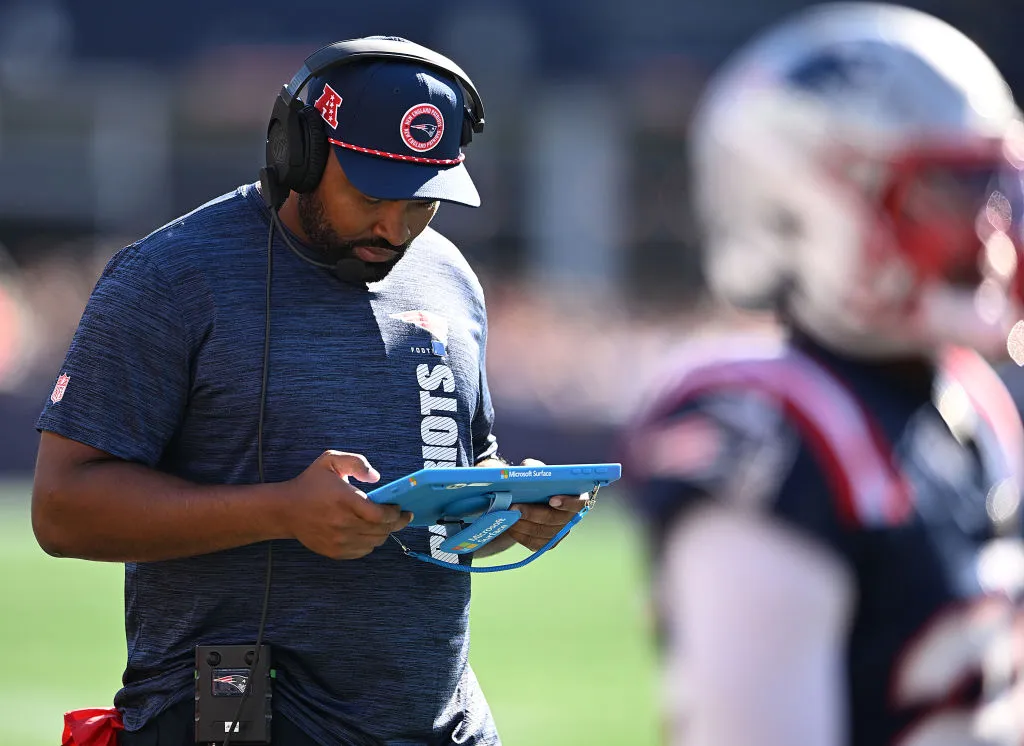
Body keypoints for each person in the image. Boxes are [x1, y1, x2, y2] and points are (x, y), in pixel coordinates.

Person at [31, 35, 589, 746]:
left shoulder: (450, 277)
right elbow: (61, 508)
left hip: (441, 725)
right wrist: (281, 512)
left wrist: (506, 509)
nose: (396, 227)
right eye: (371, 194)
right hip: (234, 720)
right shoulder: (169, 277)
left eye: (424, 202)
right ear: (300, 152)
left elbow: (451, 494)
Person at [621, 4, 1024, 745]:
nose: (991, 230)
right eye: (947, 191)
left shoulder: (974, 405)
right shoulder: (773, 428)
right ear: (797, 209)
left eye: (993, 188)